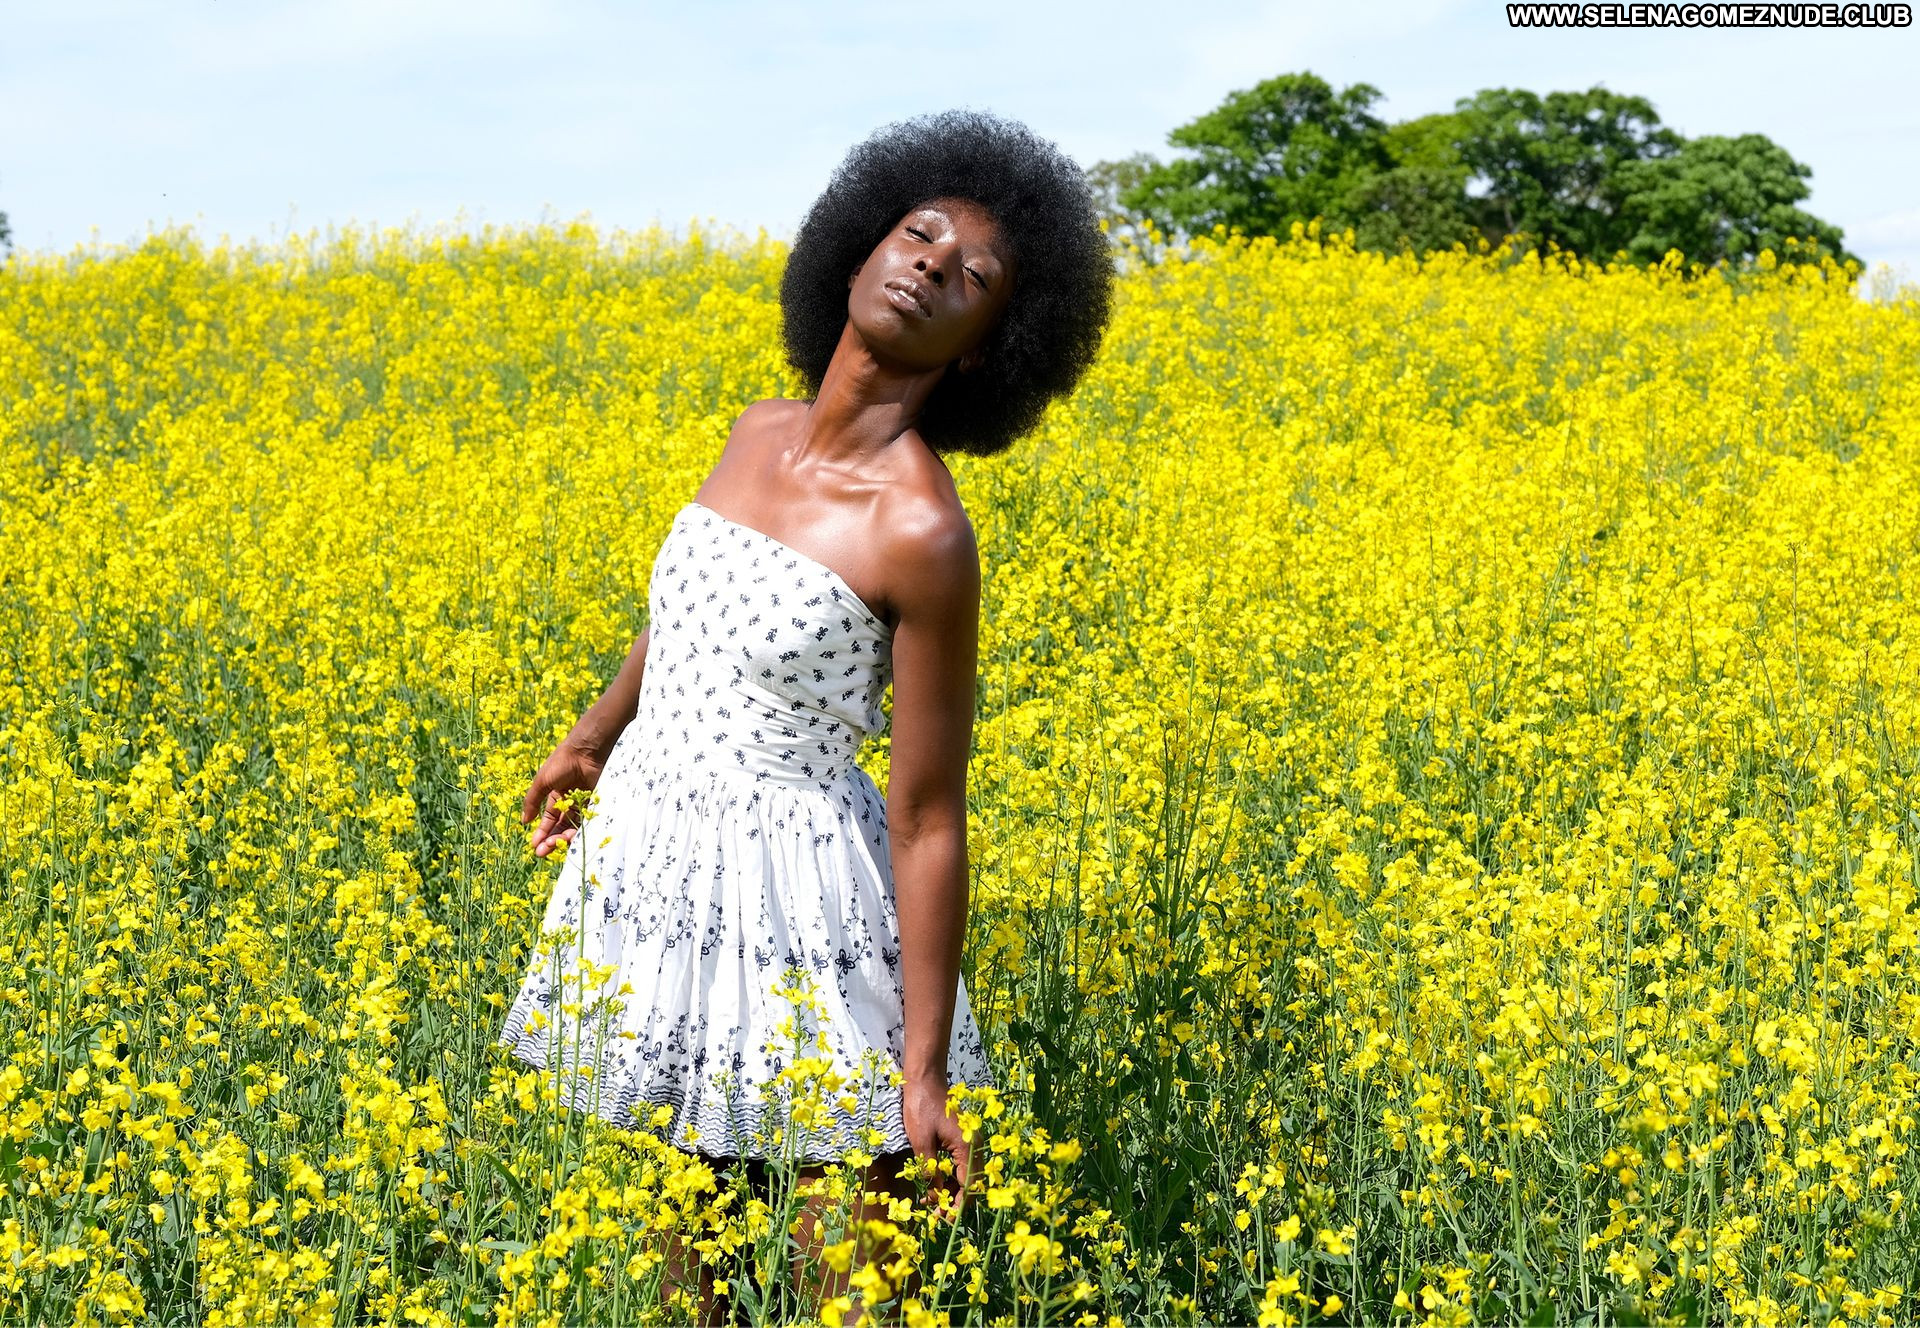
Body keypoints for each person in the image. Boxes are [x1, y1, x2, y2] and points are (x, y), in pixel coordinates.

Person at [494, 107, 1114, 1324]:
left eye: (974, 274)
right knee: (693, 1270)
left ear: (986, 349)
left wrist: (922, 1069)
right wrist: (591, 738)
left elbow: (929, 816)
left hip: (810, 901)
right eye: (919, 232)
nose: (933, 262)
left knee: (853, 1280)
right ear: (857, 247)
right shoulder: (755, 432)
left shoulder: (921, 530)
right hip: (671, 869)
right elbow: (686, 618)